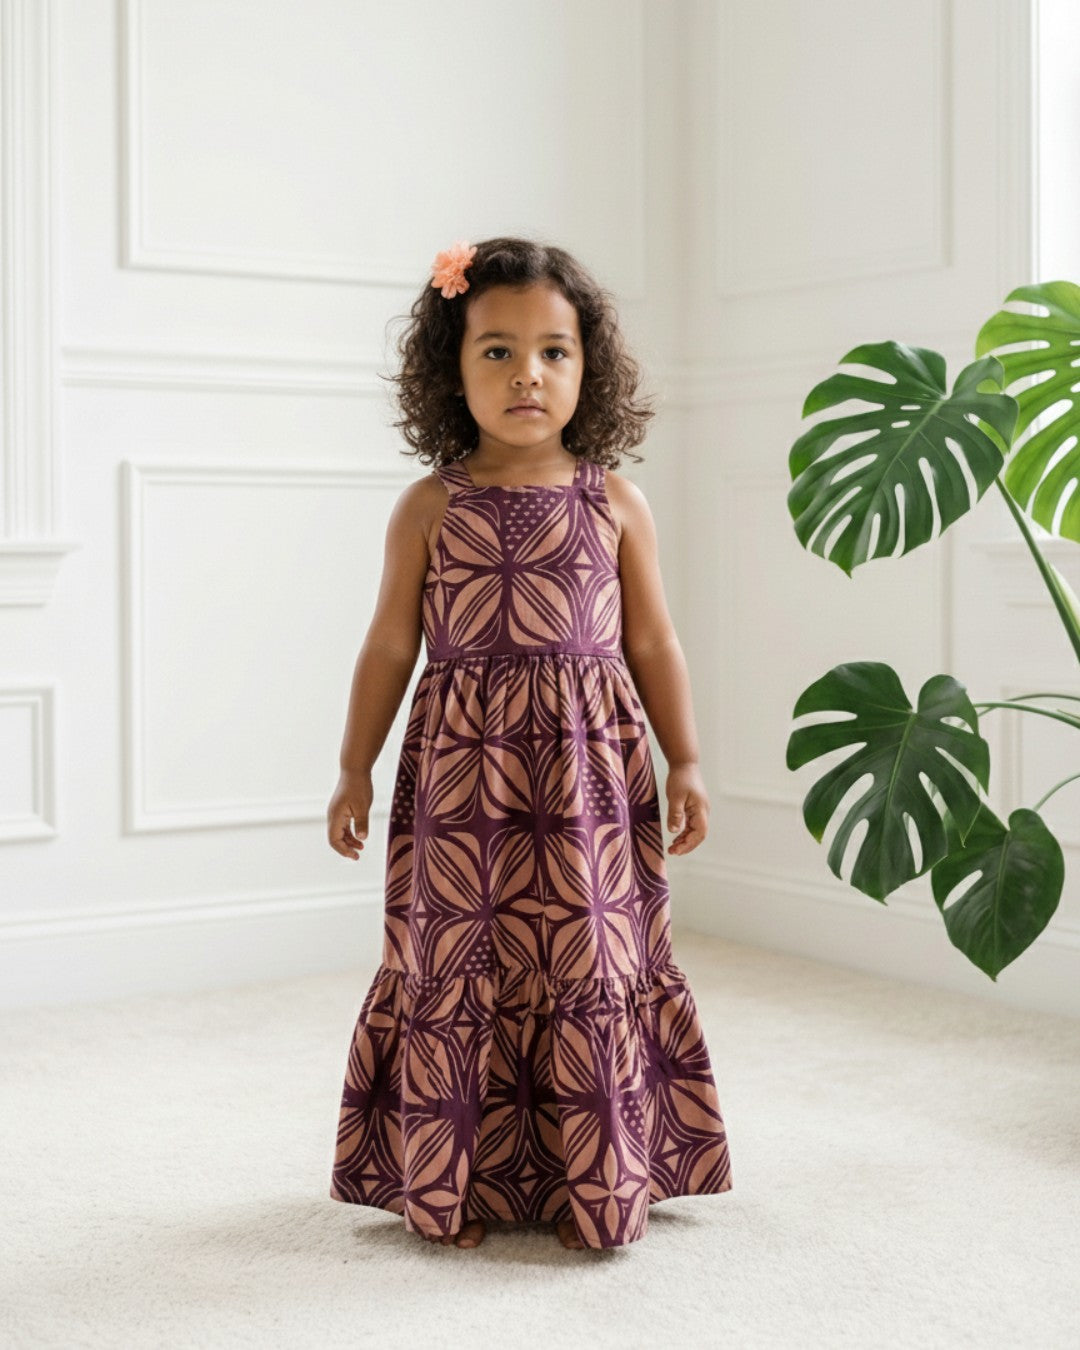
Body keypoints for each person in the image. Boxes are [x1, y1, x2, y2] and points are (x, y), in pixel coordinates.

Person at [326, 236, 732, 1251]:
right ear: (448, 371)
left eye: (554, 352)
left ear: (587, 369)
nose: (528, 376)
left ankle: (595, 1180)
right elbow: (388, 642)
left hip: (589, 781)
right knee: (462, 957)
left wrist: (685, 759)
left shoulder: (614, 502)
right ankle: (454, 1181)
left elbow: (653, 639)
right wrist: (352, 765)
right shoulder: (431, 507)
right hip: (465, 787)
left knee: (587, 955)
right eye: (497, 353)